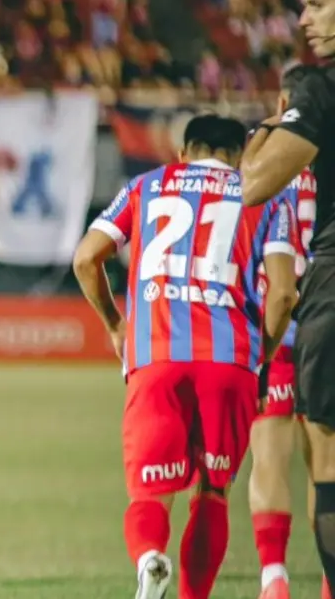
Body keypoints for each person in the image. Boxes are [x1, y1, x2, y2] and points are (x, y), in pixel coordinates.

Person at [73, 115, 299, 599]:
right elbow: (283, 294)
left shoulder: (145, 186)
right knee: (212, 492)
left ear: (183, 152)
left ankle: (151, 556)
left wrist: (116, 326)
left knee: (149, 491)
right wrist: (263, 354)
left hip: (155, 355)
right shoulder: (265, 195)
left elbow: (85, 258)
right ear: (240, 157)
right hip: (230, 360)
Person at [241, 13, 335, 587]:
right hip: (309, 304)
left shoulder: (309, 112)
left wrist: (263, 131)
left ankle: (275, 573)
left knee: (290, 456)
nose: (305, 16)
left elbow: (254, 189)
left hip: (300, 309)